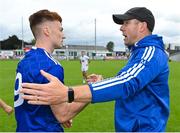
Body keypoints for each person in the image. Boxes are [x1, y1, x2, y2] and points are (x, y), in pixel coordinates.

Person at [20, 7, 170, 132]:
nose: (121, 27)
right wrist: (100, 83)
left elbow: (127, 82)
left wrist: (69, 93)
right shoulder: (139, 52)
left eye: (126, 23)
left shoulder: (151, 52)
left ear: (142, 26)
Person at [14, 9, 73, 132]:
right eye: (60, 30)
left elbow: (36, 102)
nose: (64, 35)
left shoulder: (24, 61)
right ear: (47, 31)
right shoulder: (51, 66)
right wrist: (92, 87)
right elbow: (63, 114)